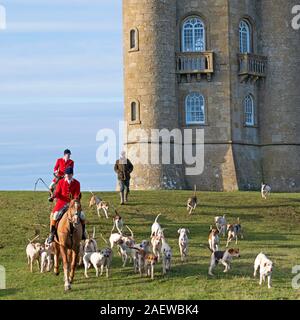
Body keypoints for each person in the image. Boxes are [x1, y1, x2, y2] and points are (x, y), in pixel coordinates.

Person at [47, 166, 86, 244]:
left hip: (73, 203)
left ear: (72, 174)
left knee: (82, 215)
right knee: (55, 215)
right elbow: (58, 192)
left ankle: (83, 233)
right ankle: (52, 234)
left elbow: (77, 194)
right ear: (65, 174)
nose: (68, 175)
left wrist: (73, 201)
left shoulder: (77, 183)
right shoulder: (61, 182)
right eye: (67, 174)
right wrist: (53, 196)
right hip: (61, 202)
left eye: (70, 174)